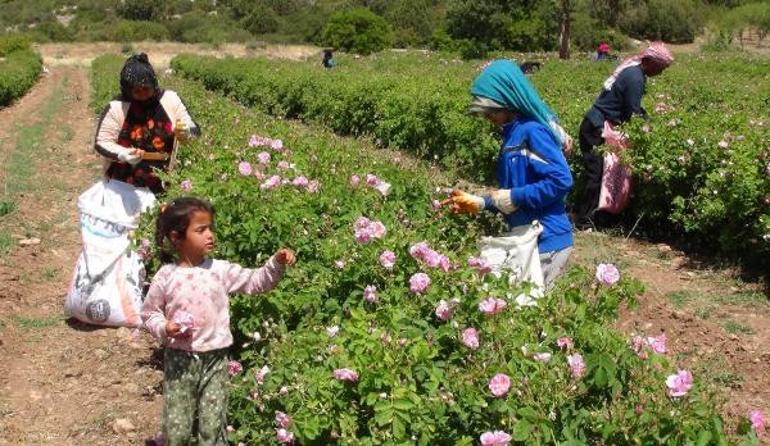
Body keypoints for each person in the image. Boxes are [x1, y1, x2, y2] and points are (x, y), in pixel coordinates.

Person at [141, 197, 296, 445]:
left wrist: (276, 262)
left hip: (216, 359)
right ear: (176, 237)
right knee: (177, 427)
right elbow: (149, 314)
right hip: (179, 360)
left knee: (213, 426)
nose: (210, 235)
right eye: (200, 230)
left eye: (210, 228)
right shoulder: (166, 276)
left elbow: (256, 281)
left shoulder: (219, 270)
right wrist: (164, 327)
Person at [442, 60, 574, 287]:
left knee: (532, 313)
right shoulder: (512, 136)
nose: (488, 117)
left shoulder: (532, 132)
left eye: (492, 110)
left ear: (508, 101)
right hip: (527, 237)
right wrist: (482, 203)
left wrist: (513, 197)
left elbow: (561, 180)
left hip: (548, 240)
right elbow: (511, 193)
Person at [575, 42, 673, 227]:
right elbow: (633, 112)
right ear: (651, 62)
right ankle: (583, 221)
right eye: (660, 68)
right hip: (595, 127)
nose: (660, 73)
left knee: (601, 174)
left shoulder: (634, 72)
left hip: (595, 125)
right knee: (596, 174)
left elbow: (632, 108)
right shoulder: (636, 77)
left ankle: (596, 217)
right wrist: (648, 128)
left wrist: (647, 119)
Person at [94, 53, 200, 195]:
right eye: (137, 91)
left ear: (154, 85)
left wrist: (186, 132)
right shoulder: (117, 107)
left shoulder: (170, 100)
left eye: (146, 89)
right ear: (127, 91)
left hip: (164, 178)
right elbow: (102, 142)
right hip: (124, 183)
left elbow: (193, 127)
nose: (143, 94)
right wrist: (123, 154)